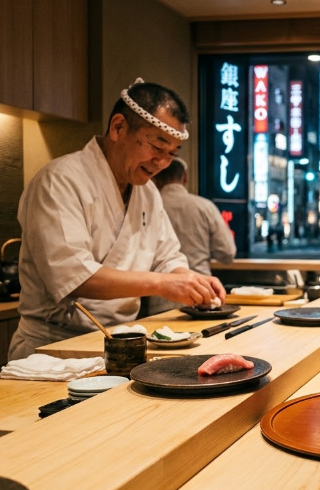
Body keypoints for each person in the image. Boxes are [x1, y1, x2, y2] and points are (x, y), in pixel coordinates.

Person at [9, 79, 226, 361]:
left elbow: (166, 258)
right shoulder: (60, 180)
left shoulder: (147, 192)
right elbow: (74, 276)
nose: (162, 162)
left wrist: (190, 279)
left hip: (123, 342)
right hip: (54, 349)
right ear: (118, 127)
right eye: (157, 146)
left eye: (171, 153)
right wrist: (163, 284)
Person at [152, 157, 236, 276]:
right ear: (185, 178)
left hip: (158, 289)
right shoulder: (205, 207)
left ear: (155, 179)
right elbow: (227, 253)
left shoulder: (149, 206)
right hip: (199, 286)